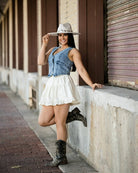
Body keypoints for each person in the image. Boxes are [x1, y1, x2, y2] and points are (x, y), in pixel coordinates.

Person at [38, 23, 102, 167]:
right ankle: (72, 115)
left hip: (62, 85)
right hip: (51, 86)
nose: (62, 38)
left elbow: (80, 69)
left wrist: (91, 84)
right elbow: (40, 62)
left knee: (60, 123)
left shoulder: (73, 51)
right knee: (42, 121)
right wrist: (44, 44)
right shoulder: (53, 50)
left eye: (65, 35)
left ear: (69, 36)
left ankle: (61, 156)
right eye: (60, 35)